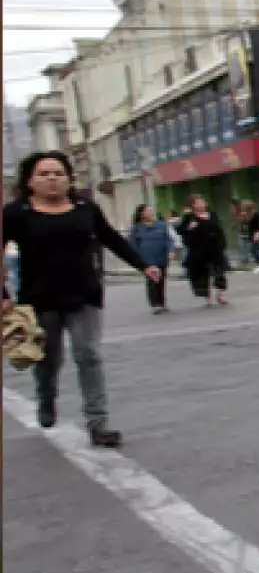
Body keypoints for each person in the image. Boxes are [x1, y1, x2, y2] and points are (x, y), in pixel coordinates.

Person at [1, 151, 162, 446]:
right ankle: (46, 398)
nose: (52, 179)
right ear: (30, 181)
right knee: (49, 359)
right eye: (44, 174)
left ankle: (98, 423)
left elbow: (111, 238)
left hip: (84, 294)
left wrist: (143, 265)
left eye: (58, 173)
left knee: (89, 356)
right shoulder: (15, 213)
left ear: (68, 179)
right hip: (39, 299)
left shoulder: (84, 207)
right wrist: (3, 294)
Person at [180, 195, 229, 306]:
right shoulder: (189, 218)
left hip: (215, 248)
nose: (201, 204)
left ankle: (220, 295)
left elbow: (219, 230)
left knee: (219, 272)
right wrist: (189, 228)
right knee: (203, 274)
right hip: (199, 250)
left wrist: (222, 244)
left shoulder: (212, 215)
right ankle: (208, 297)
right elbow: (181, 231)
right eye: (197, 202)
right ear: (193, 205)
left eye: (202, 201)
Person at [127, 203, 174, 314]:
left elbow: (168, 240)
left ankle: (162, 302)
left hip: (161, 257)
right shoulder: (136, 229)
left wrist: (171, 251)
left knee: (161, 280)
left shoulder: (161, 225)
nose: (151, 213)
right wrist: (137, 259)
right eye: (148, 211)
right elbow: (132, 245)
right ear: (141, 213)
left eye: (151, 210)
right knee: (152, 281)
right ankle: (155, 304)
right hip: (147, 259)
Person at [241, 199, 259, 272]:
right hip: (253, 233)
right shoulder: (250, 214)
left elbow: (256, 225)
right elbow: (246, 223)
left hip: (257, 233)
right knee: (254, 250)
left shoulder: (256, 214)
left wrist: (257, 235)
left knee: (254, 250)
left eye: (244, 207)